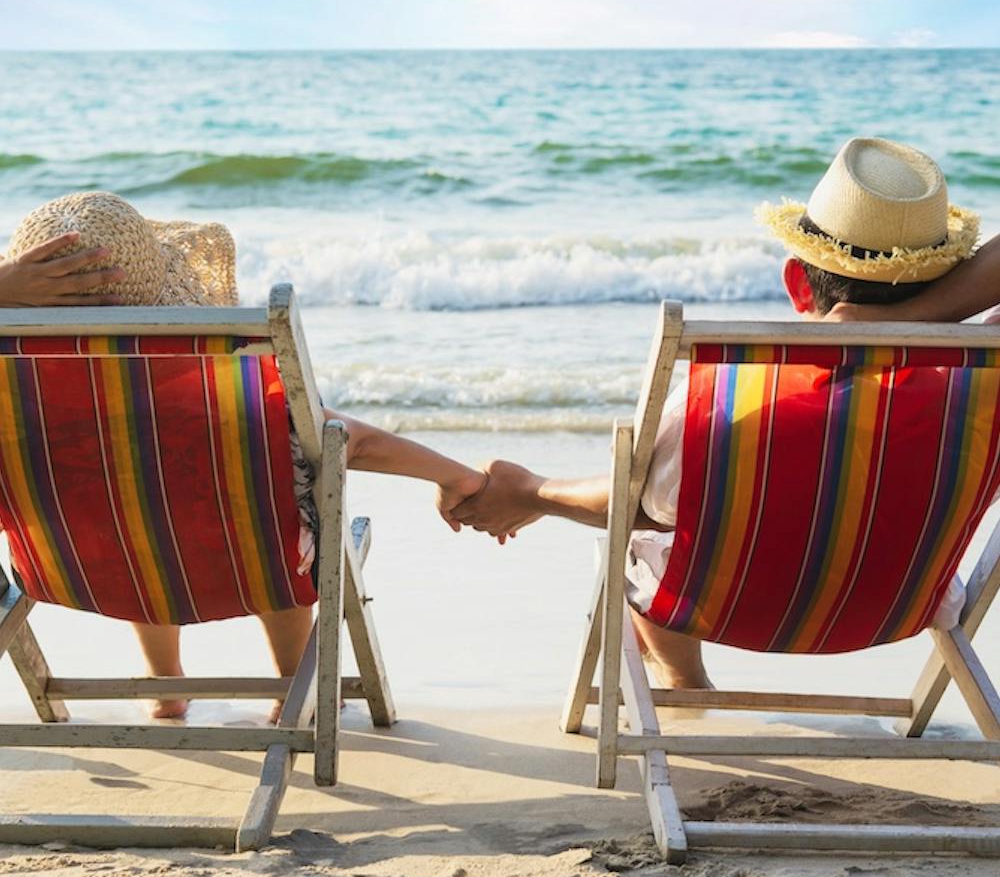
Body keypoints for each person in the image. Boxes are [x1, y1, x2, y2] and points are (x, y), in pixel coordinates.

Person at [444, 137, 984, 689]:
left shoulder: (735, 399)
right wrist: (926, 317)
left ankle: (684, 677)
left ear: (797, 284)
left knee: (650, 532)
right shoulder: (978, 394)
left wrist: (534, 491)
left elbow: (641, 505)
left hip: (727, 609)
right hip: (897, 608)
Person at [8, 192, 485, 720]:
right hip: (248, 564)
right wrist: (454, 475)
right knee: (265, 509)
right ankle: (290, 685)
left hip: (85, 566)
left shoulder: (17, 404)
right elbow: (352, 440)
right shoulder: (221, 388)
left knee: (125, 504)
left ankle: (164, 683)